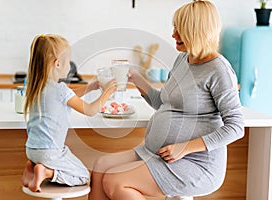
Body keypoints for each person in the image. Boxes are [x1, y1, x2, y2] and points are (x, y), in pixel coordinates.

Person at [88, 1, 244, 199]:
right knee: (101, 167)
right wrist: (135, 78)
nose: (173, 35)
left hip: (195, 162)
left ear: (196, 31)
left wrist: (184, 147)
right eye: (174, 28)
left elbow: (236, 127)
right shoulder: (183, 60)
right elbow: (163, 103)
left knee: (115, 181)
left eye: (180, 30)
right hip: (156, 152)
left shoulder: (218, 70)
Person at [21, 34, 117, 192]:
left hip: (32, 150)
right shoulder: (60, 90)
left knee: (68, 164)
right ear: (57, 63)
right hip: (50, 152)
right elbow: (91, 110)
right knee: (83, 176)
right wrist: (106, 92)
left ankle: (32, 168)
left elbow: (66, 98)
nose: (70, 66)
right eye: (68, 61)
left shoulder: (37, 88)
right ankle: (47, 172)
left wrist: (90, 87)